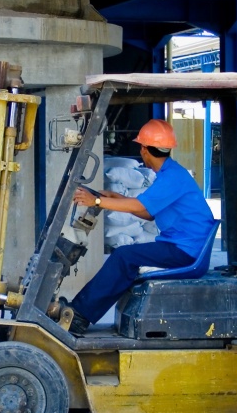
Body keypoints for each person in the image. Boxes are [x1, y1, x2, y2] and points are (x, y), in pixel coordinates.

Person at [64, 119, 215, 335]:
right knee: (127, 256)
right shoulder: (170, 174)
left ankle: (79, 315)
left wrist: (96, 201)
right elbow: (147, 212)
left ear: (144, 149)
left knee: (124, 256)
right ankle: (81, 310)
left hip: (186, 251)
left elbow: (139, 205)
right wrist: (116, 197)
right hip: (183, 246)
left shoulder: (172, 177)